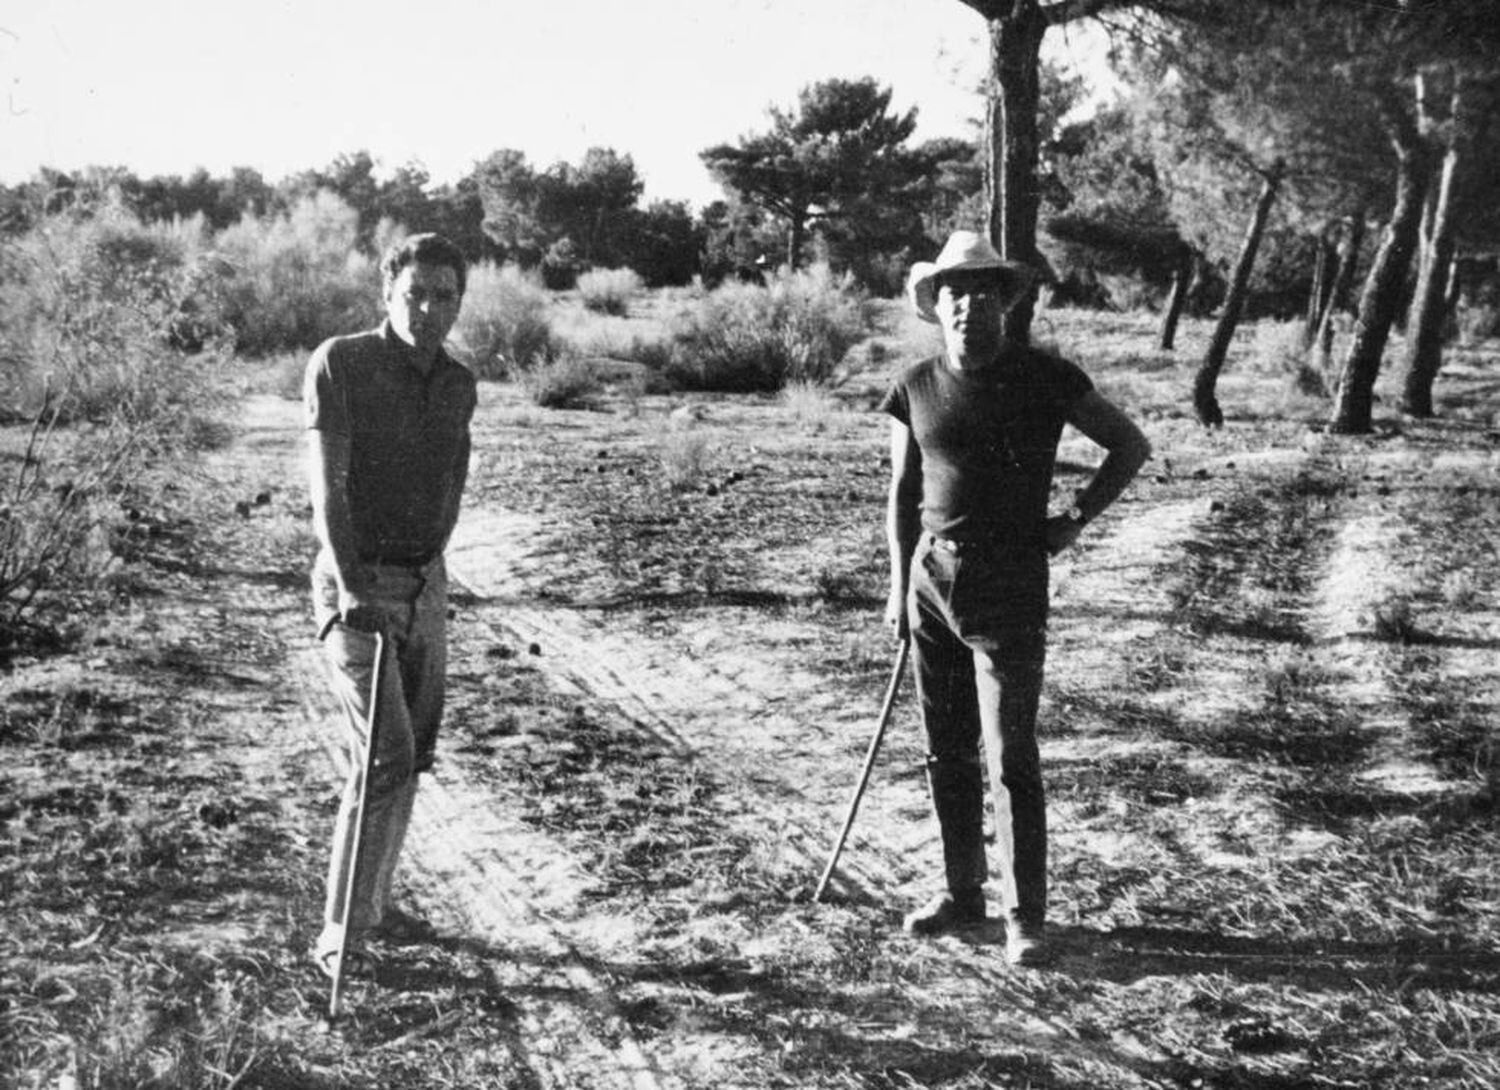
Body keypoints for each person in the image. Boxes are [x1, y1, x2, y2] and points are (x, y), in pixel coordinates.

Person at [880, 230, 1151, 966]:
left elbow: (1129, 445)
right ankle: (962, 894)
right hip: (932, 584)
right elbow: (903, 495)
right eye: (953, 293)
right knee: (946, 752)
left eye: (982, 290)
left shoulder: (1046, 378)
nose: (968, 305)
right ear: (937, 306)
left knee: (1011, 757)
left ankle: (1024, 918)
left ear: (1007, 299)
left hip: (1010, 584)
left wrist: (1074, 521)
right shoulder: (915, 387)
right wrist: (899, 584)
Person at [304, 232, 477, 974]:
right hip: (359, 585)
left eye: (445, 295)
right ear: (387, 293)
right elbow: (326, 488)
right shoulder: (341, 364)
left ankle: (372, 900)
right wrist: (349, 585)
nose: (429, 308)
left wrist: (433, 574)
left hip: (423, 586)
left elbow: (451, 476)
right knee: (383, 757)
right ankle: (340, 937)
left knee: (409, 761)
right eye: (416, 293)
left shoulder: (459, 380)